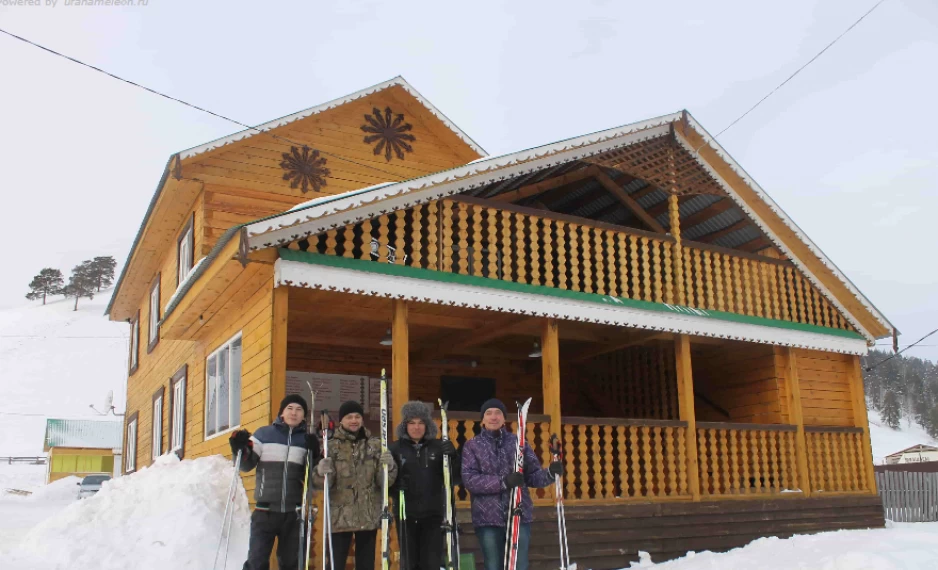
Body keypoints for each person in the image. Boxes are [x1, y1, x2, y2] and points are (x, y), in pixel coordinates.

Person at [461, 398, 562, 570]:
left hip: (518, 514)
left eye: (498, 413)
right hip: (487, 519)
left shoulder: (519, 443)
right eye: (489, 413)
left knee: (519, 564)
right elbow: (470, 480)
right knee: (493, 565)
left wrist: (551, 473)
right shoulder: (472, 446)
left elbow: (534, 477)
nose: (494, 417)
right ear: (482, 420)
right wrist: (503, 482)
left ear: (504, 418)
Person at [228, 394, 320, 570]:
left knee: (292, 563)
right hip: (265, 511)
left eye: (299, 410)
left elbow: (313, 476)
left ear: (304, 416)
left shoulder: (305, 440)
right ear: (282, 412)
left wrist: (315, 453)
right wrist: (239, 448)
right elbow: (246, 464)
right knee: (257, 561)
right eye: (290, 409)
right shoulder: (264, 434)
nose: (294, 413)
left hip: (294, 513)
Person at [313, 400, 397, 570]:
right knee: (336, 563)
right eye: (349, 417)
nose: (354, 420)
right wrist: (320, 472)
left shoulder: (374, 445)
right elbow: (323, 484)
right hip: (340, 516)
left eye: (357, 416)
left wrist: (390, 467)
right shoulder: (331, 446)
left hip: (367, 514)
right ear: (341, 421)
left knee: (366, 564)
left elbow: (384, 482)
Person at [389, 401, 461, 570]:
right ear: (405, 425)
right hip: (405, 514)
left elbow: (454, 479)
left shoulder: (438, 447)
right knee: (409, 562)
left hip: (433, 516)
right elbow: (385, 482)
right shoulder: (395, 449)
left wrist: (454, 457)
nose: (416, 427)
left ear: (427, 425)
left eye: (421, 423)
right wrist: (394, 487)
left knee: (431, 563)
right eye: (412, 423)